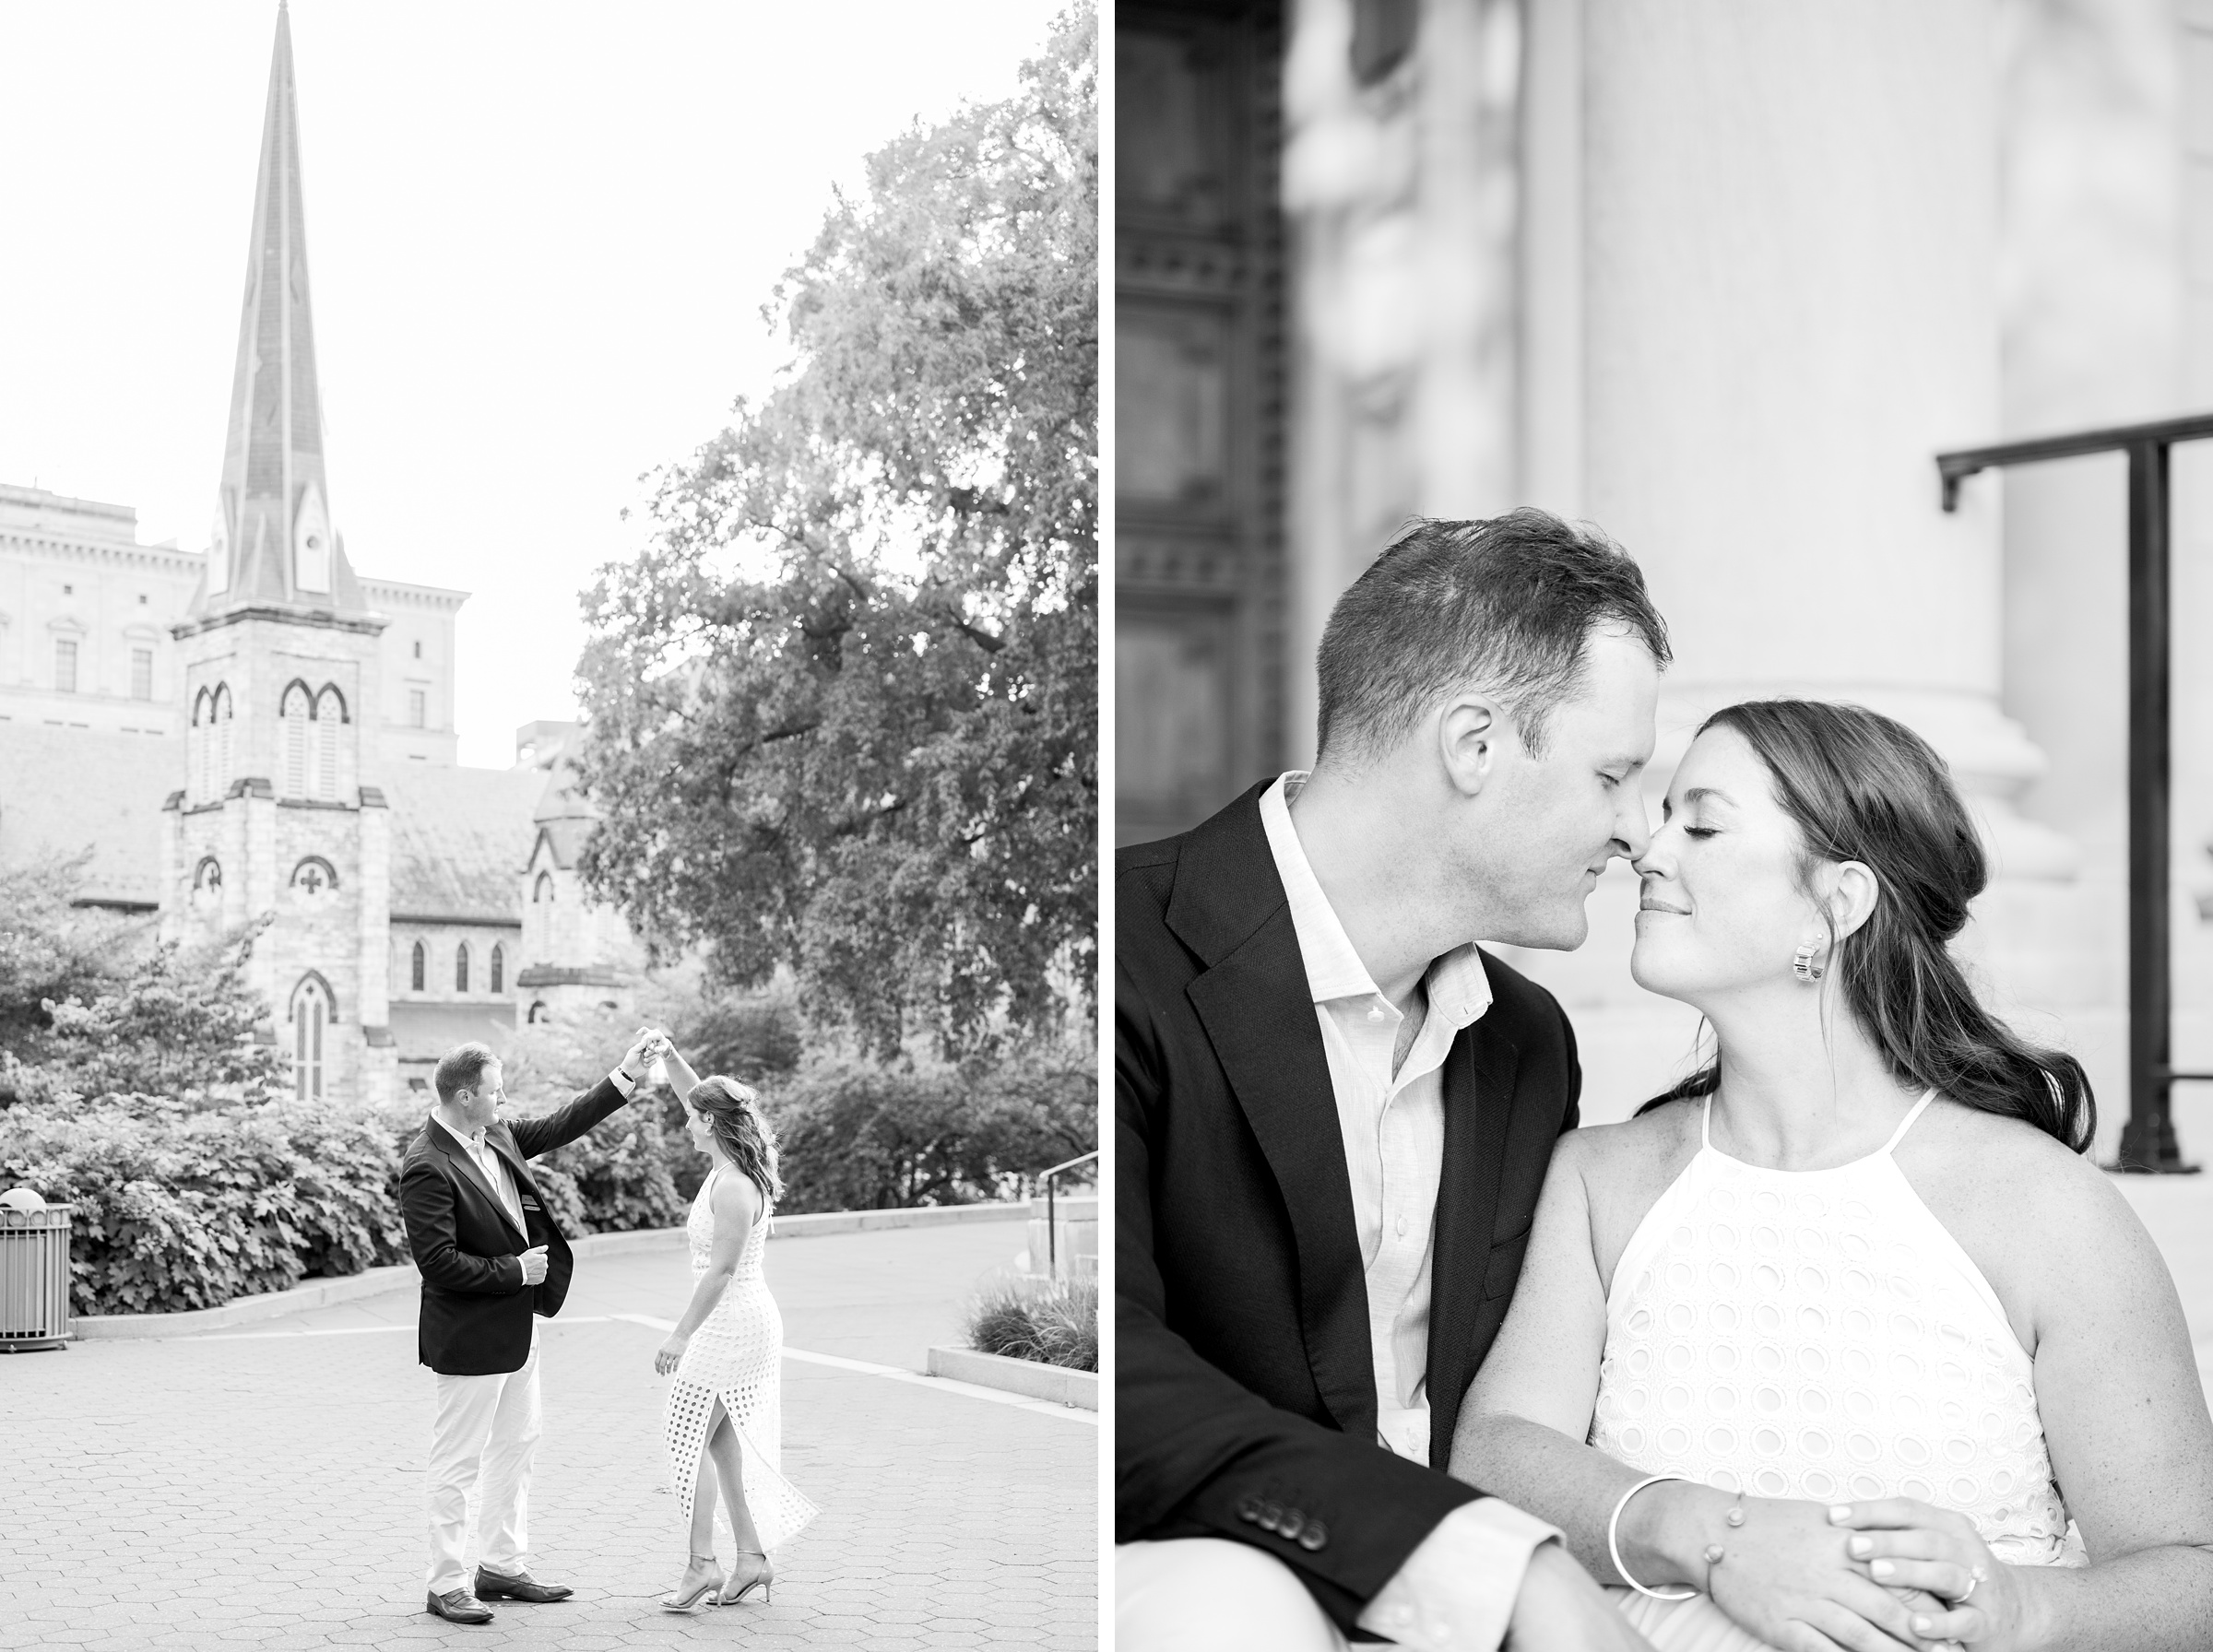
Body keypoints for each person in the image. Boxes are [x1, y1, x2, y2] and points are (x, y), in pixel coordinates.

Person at [1453, 700, 2213, 1651]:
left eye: (1702, 823)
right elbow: (1493, 1455)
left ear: (1839, 901)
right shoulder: (1602, 1179)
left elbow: (2190, 1573)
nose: (1647, 852)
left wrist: (2030, 1608)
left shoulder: (2041, 1208)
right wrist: (1717, 1535)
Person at [1118, 509, 1674, 1650]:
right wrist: (1485, 1566)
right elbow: (1124, 1384)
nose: (1637, 833)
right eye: (1614, 775)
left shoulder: (1529, 1041)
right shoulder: (1122, 954)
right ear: (1474, 745)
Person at [399, 1031, 668, 1625]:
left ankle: (500, 1566)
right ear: (465, 1096)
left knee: (517, 1446)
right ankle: (446, 1583)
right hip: (470, 1335)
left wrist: (624, 1074)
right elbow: (437, 1263)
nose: (503, 1100)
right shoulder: (426, 1165)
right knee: (457, 1462)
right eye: (495, 1092)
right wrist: (515, 1270)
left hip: (519, 1328)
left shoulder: (494, 1133)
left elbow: (559, 1125)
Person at [651, 1045, 817, 1612]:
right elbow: (694, 1093)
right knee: (719, 1442)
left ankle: (701, 1565)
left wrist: (678, 1335)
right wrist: (670, 1057)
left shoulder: (733, 1187)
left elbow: (721, 1271)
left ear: (713, 1124)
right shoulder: (727, 1166)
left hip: (733, 1323)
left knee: (683, 1437)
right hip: (735, 1320)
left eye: (692, 1117)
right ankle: (751, 1559)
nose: (685, 1121)